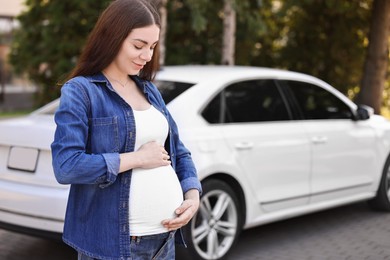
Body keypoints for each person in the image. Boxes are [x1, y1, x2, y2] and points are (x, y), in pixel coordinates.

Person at [51, 0, 202, 259]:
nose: (147, 56)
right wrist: (137, 159)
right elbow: (66, 166)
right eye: (138, 45)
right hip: (115, 246)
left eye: (152, 46)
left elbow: (179, 151)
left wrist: (192, 196)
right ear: (112, 37)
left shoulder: (149, 91)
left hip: (164, 240)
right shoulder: (81, 91)